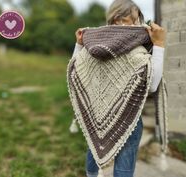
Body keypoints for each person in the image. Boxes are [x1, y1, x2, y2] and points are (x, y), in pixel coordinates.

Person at [71, 0, 166, 176]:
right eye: (129, 21)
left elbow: (75, 71)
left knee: (93, 150)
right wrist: (159, 45)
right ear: (115, 21)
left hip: (96, 116)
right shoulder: (136, 51)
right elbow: (152, 86)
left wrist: (79, 45)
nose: (131, 25)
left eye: (133, 21)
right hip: (128, 119)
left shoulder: (92, 47)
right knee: (122, 170)